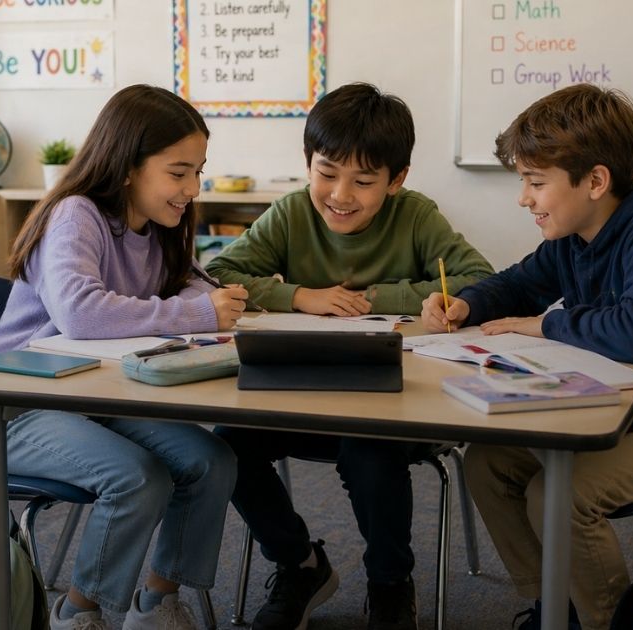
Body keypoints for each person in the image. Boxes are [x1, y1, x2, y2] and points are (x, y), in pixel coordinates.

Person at [420, 84, 633, 630]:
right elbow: (519, 282)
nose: (524, 198)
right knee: (487, 463)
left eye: (536, 183)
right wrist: (467, 303)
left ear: (596, 181)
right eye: (523, 182)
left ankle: (606, 621)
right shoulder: (576, 232)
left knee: (561, 496)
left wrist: (546, 325)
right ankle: (556, 610)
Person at [205, 82, 494, 630]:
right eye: (326, 172)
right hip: (302, 397)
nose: (340, 194)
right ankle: (300, 564)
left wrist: (380, 300)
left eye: (363, 181)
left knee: (369, 451)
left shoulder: (415, 215)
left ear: (396, 179)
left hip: (394, 406)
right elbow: (217, 274)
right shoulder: (291, 213)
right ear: (307, 163)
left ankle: (389, 582)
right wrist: (301, 297)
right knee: (228, 448)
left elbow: (480, 279)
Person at [0, 84, 246, 630]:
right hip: (19, 409)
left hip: (96, 396)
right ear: (126, 167)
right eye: (178, 172)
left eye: (198, 171)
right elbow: (81, 314)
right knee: (138, 478)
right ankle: (79, 613)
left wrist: (201, 304)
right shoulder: (76, 215)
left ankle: (156, 603)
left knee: (212, 461)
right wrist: (198, 313)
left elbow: (193, 287)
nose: (193, 187)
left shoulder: (161, 226)